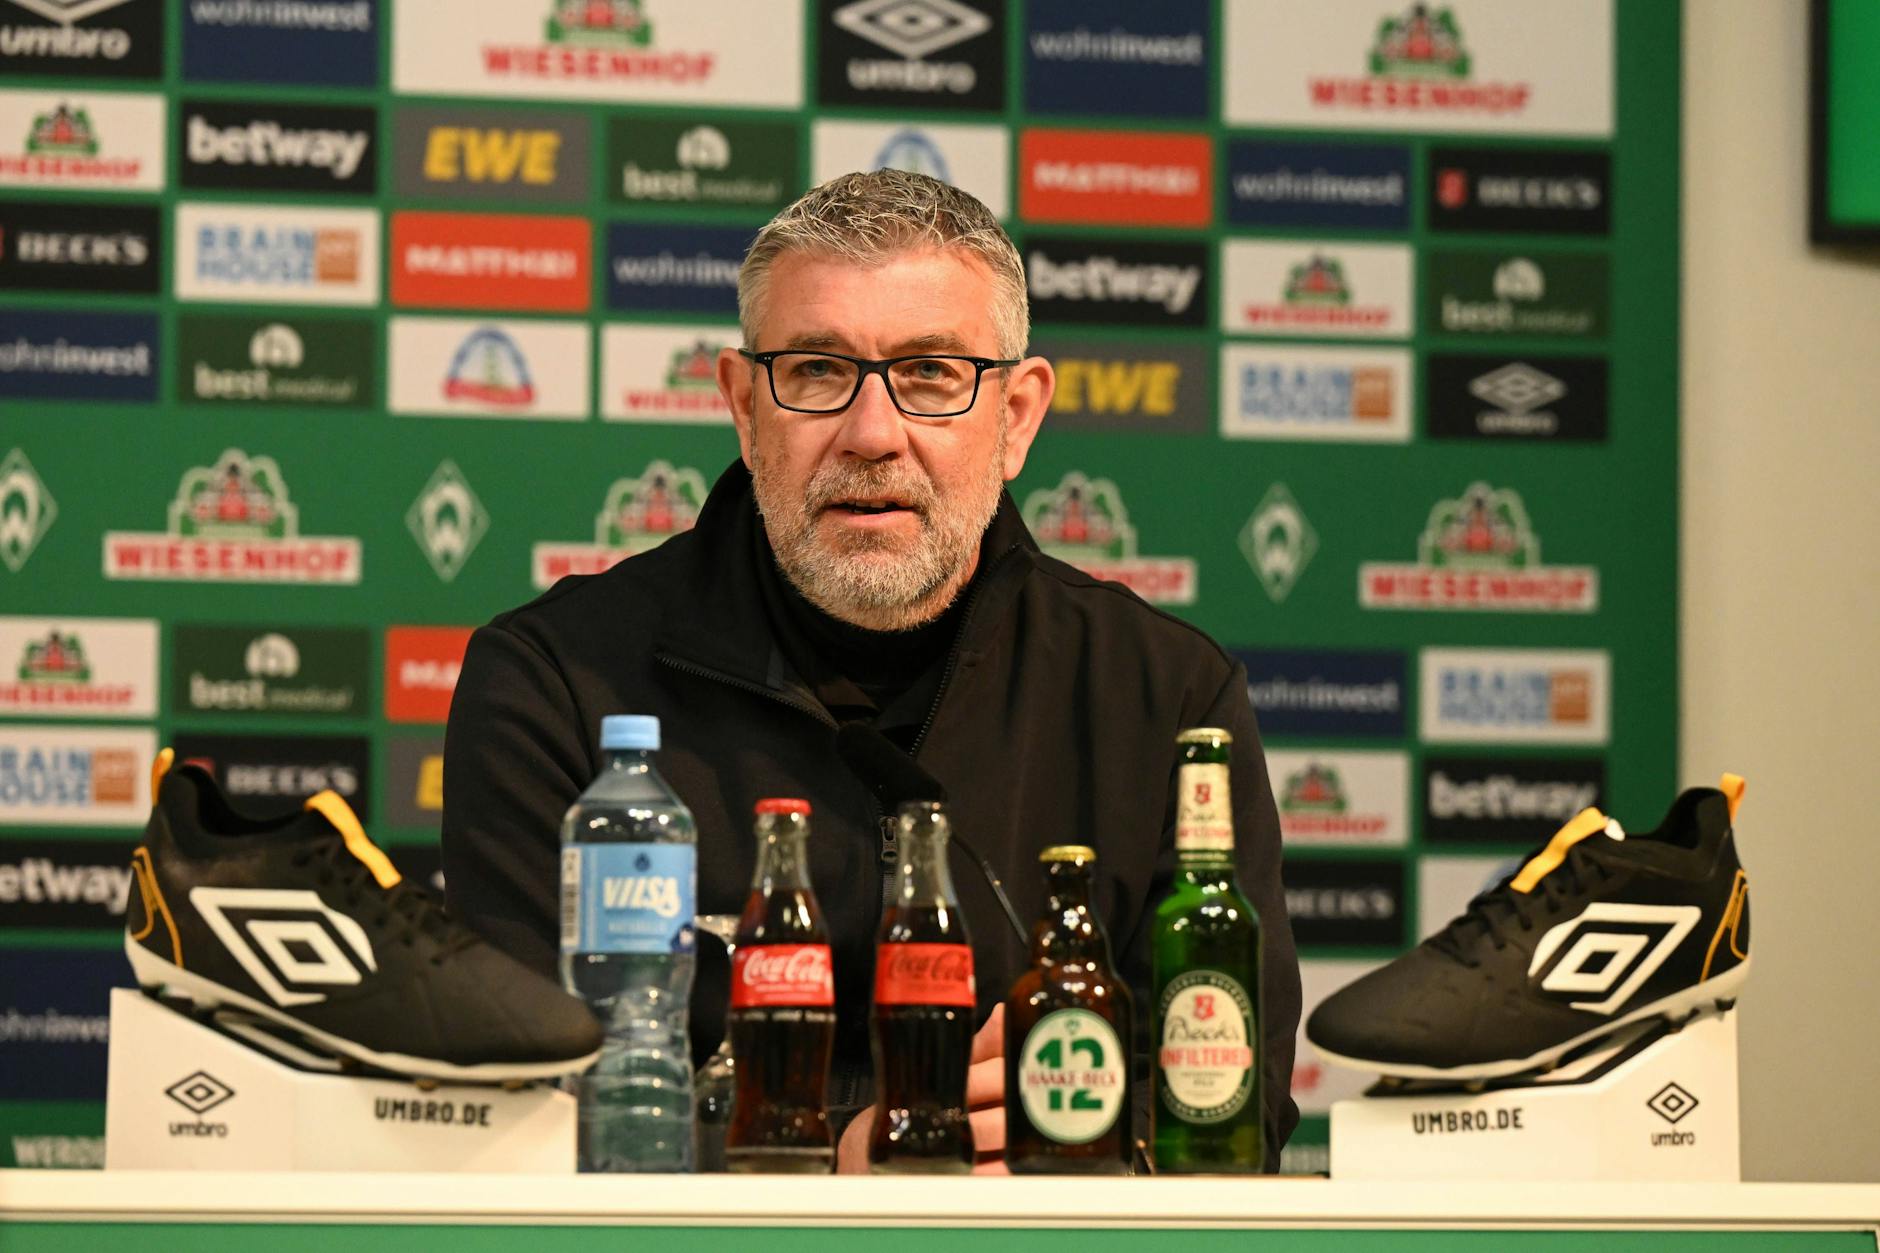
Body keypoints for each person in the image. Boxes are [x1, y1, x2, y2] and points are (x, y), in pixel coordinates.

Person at [442, 170, 1301, 1172]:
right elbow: (515, 1110)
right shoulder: (555, 683)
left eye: (931, 374)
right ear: (741, 403)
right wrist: (830, 1161)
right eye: (814, 370)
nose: (870, 432)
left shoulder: (1161, 697)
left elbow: (1233, 1104)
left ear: (1017, 416)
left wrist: (1077, 1134)